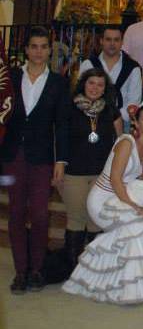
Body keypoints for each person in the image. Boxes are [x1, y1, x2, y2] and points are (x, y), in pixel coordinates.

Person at [62, 103, 143, 304]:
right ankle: (118, 284)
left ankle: (138, 283)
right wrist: (136, 208)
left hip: (122, 196)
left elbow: (142, 181)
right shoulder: (126, 142)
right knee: (136, 226)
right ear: (135, 122)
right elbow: (115, 180)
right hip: (103, 199)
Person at [1, 27, 70, 294]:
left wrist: (61, 161)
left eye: (43, 46)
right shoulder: (10, 79)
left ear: (49, 50)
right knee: (17, 213)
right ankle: (21, 272)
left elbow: (62, 124)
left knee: (41, 215)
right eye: (34, 46)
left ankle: (37, 269)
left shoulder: (58, 83)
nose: (39, 51)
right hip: (12, 156)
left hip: (42, 158)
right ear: (27, 49)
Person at [61, 68, 123, 270]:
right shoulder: (69, 108)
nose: (95, 88)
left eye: (100, 84)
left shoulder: (112, 111)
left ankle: (95, 269)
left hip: (101, 175)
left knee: (97, 219)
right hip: (74, 173)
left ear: (105, 89)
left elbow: (120, 144)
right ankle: (72, 269)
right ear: (83, 84)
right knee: (76, 219)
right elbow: (60, 140)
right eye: (91, 83)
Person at [79, 25, 142, 127]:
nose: (112, 44)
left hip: (122, 121)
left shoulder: (133, 68)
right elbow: (81, 94)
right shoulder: (88, 64)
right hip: (90, 119)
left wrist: (114, 118)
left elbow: (134, 101)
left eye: (116, 40)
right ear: (101, 41)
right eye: (108, 39)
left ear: (122, 42)